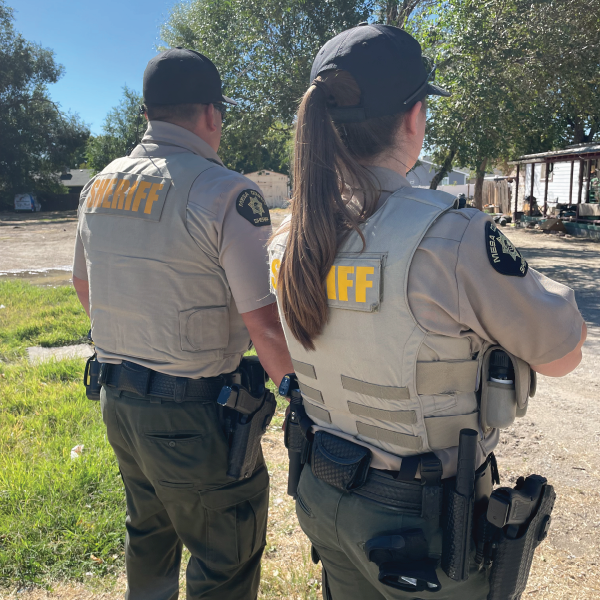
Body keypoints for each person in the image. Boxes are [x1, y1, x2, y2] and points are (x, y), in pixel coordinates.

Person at [268, 24, 586, 600]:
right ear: (413, 119)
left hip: (323, 488)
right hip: (420, 524)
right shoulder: (451, 235)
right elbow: (564, 354)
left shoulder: (291, 236)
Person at [72, 47, 293, 600]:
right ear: (212, 115)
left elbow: (84, 286)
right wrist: (303, 399)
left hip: (118, 401)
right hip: (196, 415)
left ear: (146, 114)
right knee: (226, 556)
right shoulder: (225, 192)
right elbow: (264, 324)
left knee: (148, 533)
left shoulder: (99, 185)